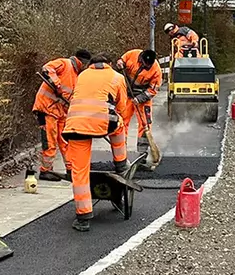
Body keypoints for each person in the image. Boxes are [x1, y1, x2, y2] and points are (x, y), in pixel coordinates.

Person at [61, 53, 130, 232]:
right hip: (103, 122)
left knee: (80, 172)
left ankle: (83, 217)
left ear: (91, 64)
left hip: (75, 125)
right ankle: (120, 162)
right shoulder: (117, 77)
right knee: (120, 125)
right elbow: (122, 107)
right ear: (109, 64)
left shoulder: (82, 75)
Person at [30, 49, 91, 183]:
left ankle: (70, 169)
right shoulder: (65, 64)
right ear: (82, 62)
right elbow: (47, 67)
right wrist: (56, 83)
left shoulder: (77, 76)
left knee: (65, 142)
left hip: (61, 112)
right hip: (47, 109)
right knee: (50, 142)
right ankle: (46, 171)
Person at [114, 48, 162, 149]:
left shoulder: (156, 70)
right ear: (141, 59)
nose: (147, 67)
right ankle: (121, 147)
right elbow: (121, 60)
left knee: (145, 124)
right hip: (127, 94)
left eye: (149, 65)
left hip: (142, 97)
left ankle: (142, 151)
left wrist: (139, 99)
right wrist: (120, 63)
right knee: (122, 120)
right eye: (145, 64)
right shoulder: (132, 54)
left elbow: (153, 90)